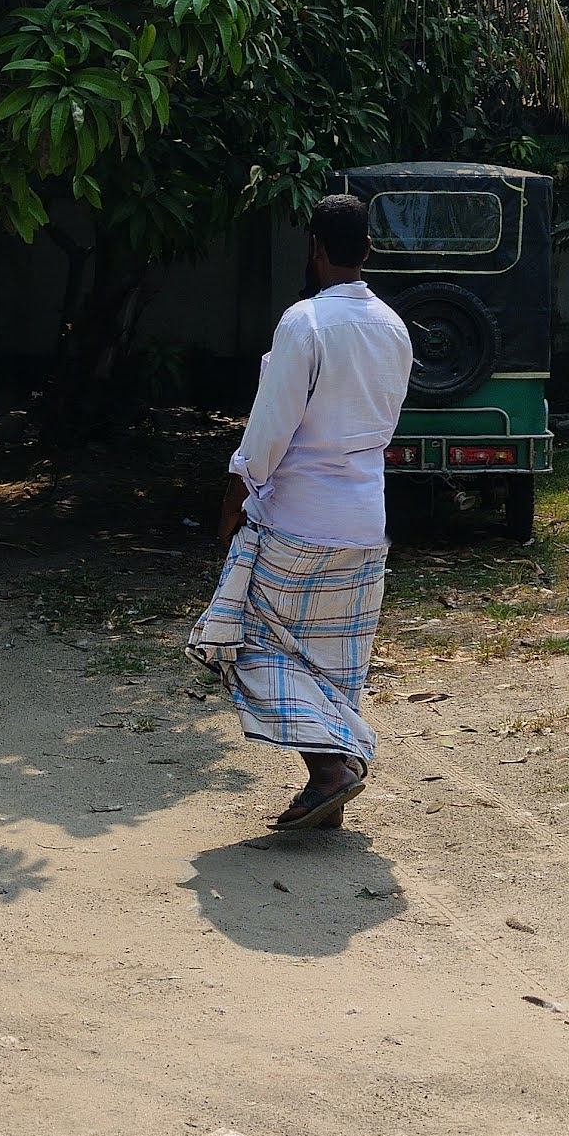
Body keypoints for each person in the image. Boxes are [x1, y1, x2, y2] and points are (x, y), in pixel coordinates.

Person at [199, 195, 411, 837]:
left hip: (298, 517)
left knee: (245, 638)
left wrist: (234, 498)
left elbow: (270, 428)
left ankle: (330, 770)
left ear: (315, 249)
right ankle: (330, 796)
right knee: (337, 662)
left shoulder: (305, 323)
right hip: (365, 519)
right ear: (368, 249)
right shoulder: (394, 327)